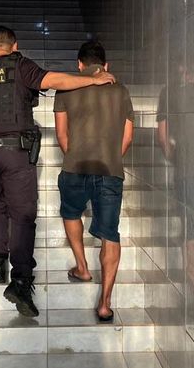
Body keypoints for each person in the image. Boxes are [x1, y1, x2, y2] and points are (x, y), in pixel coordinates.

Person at [0, 26, 115, 317]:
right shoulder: (20, 66)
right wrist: (93, 79)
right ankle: (21, 282)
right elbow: (55, 80)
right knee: (23, 215)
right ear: (15, 46)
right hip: (15, 151)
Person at [53, 41, 134, 323]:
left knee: (70, 212)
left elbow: (62, 135)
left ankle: (82, 267)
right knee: (110, 233)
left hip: (75, 166)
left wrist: (75, 156)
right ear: (105, 65)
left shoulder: (65, 89)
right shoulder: (121, 90)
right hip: (110, 169)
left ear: (79, 64)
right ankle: (105, 304)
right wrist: (110, 158)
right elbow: (127, 136)